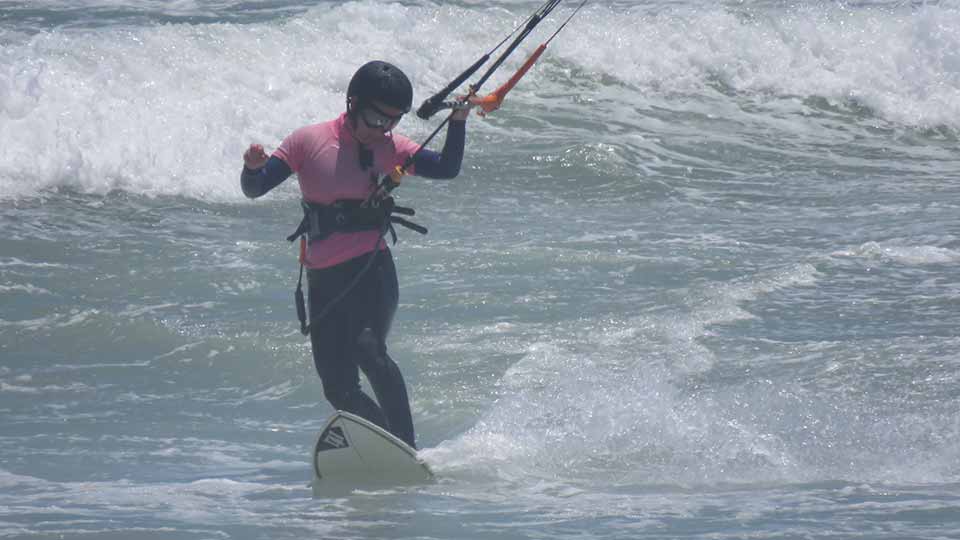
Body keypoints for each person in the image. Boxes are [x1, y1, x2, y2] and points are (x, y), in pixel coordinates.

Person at [240, 60, 470, 449]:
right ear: (352, 103)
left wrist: (458, 121)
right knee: (338, 386)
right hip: (323, 279)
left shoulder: (389, 149)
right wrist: (251, 169)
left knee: (369, 349)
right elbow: (255, 189)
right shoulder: (307, 142)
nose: (382, 130)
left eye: (392, 122)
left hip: (371, 270)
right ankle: (387, 446)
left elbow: (447, 167)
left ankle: (406, 447)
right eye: (376, 119)